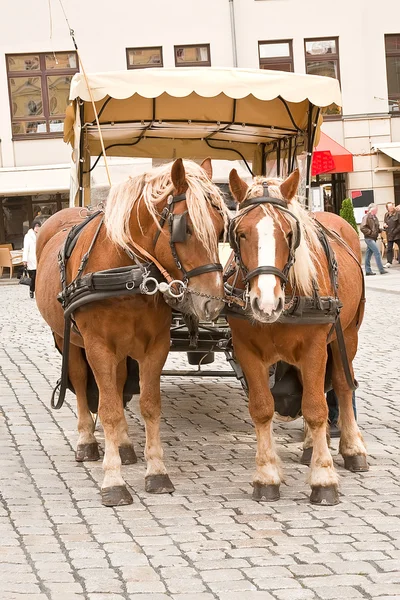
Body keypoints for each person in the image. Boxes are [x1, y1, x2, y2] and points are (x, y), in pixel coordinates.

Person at [360, 204, 388, 276]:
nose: (377, 210)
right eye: (376, 209)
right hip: (369, 238)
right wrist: (370, 232)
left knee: (368, 255)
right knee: (377, 252)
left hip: (373, 238)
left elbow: (376, 228)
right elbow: (362, 227)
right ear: (372, 209)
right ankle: (381, 269)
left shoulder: (375, 218)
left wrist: (382, 229)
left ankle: (368, 270)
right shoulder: (366, 217)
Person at [22, 219, 41, 298]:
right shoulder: (28, 236)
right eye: (36, 226)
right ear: (33, 227)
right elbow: (26, 248)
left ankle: (38, 291)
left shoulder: (41, 235)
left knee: (39, 276)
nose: (37, 228)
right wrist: (25, 260)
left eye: (39, 226)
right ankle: (31, 290)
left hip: (39, 258)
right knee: (33, 277)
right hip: (31, 259)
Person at [383, 202, 400, 267]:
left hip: (397, 235)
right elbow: (385, 223)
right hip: (389, 234)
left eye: (391, 206)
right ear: (387, 208)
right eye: (389, 207)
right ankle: (389, 262)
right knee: (389, 249)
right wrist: (384, 225)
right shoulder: (386, 215)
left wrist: (395, 231)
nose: (391, 208)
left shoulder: (397, 214)